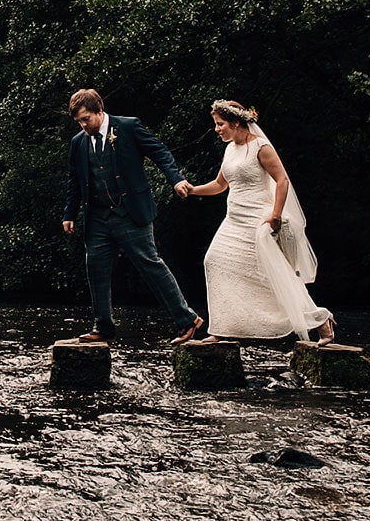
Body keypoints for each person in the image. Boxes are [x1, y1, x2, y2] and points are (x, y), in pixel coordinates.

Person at [174, 99, 336, 342]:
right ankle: (222, 328)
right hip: (233, 220)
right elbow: (221, 184)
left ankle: (320, 319)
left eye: (220, 124)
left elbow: (282, 181)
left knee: (272, 276)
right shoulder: (230, 149)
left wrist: (276, 216)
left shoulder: (261, 147)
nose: (217, 129)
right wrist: (194, 189)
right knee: (214, 261)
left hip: (256, 219)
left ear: (236, 122)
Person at [61, 88, 206, 344]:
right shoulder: (78, 142)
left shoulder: (128, 127)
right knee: (95, 269)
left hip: (131, 213)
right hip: (97, 217)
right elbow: (76, 181)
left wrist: (176, 179)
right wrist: (69, 214)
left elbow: (160, 152)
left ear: (99, 111)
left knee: (150, 265)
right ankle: (103, 327)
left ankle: (187, 319)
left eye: (86, 119)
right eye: (79, 122)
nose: (83, 126)